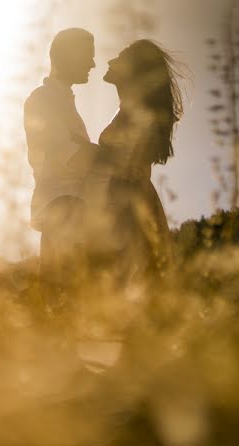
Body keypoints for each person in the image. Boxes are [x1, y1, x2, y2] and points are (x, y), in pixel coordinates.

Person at [83, 40, 183, 285]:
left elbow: (122, 164)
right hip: (128, 202)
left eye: (118, 58)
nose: (109, 61)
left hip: (129, 206)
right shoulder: (129, 109)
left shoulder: (137, 113)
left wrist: (84, 150)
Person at [24, 28, 98, 309]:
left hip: (71, 203)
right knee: (61, 293)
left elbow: (78, 152)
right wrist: (102, 154)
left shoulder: (62, 100)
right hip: (62, 203)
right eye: (88, 57)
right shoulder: (43, 100)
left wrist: (89, 150)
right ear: (68, 56)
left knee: (66, 294)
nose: (92, 64)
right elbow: (70, 155)